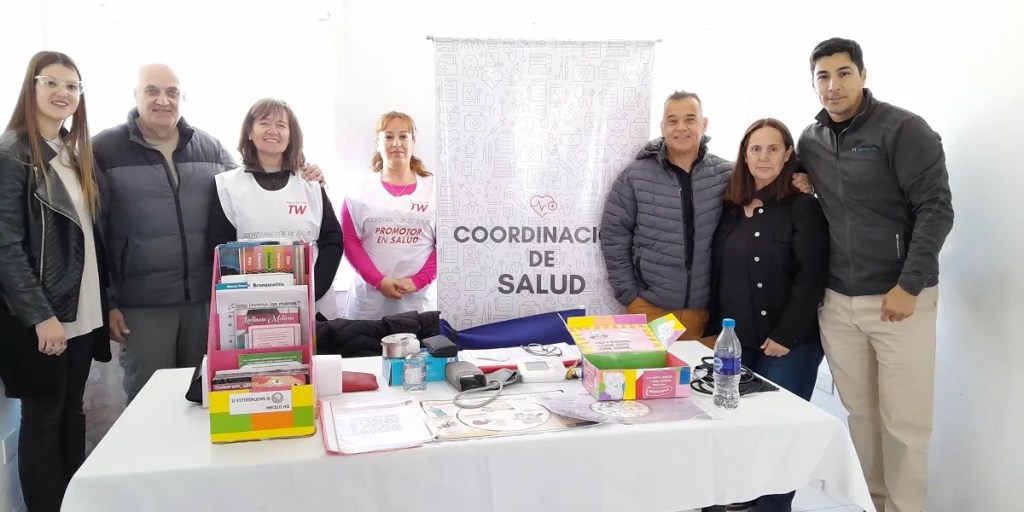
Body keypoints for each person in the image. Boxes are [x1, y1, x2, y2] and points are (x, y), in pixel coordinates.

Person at [92, 64, 324, 401]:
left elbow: (254, 186)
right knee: (150, 400)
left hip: (206, 302)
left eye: (172, 92)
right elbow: (93, 233)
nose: (163, 100)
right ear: (136, 95)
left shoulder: (209, 148)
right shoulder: (103, 150)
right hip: (142, 304)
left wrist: (304, 172)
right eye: (152, 91)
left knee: (203, 398)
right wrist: (108, 302)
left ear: (182, 97)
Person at [797, 38, 954, 512]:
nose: (833, 85)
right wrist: (797, 179)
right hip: (838, 302)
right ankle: (873, 504)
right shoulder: (811, 139)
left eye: (843, 73)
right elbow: (803, 180)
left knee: (905, 424)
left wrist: (909, 285)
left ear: (862, 75)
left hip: (898, 300)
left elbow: (936, 209)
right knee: (861, 418)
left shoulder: (903, 129)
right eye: (823, 76)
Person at [0, 51, 111, 512]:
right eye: (52, 82)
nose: (63, 93)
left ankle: (73, 501)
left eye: (72, 85)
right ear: (32, 87)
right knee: (43, 416)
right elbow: (5, 246)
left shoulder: (71, 152)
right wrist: (40, 316)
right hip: (39, 316)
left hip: (80, 310)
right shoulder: (13, 154)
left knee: (70, 409)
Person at [704, 118, 829, 512]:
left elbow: (812, 276)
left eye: (773, 149)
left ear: (788, 154)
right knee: (736, 430)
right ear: (744, 154)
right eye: (755, 148)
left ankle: (773, 506)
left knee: (780, 434)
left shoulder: (803, 207)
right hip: (736, 344)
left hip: (788, 345)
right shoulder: (729, 208)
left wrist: (786, 334)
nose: (763, 157)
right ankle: (734, 501)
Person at [600, 90, 733, 340]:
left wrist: (800, 177)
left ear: (704, 124)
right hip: (650, 308)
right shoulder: (635, 176)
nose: (681, 127)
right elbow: (613, 234)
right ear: (662, 127)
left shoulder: (727, 175)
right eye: (672, 120)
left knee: (696, 368)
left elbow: (768, 182)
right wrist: (630, 295)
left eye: (690, 119)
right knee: (652, 368)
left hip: (707, 314)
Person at [208, 98, 343, 318]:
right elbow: (220, 250)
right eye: (264, 123)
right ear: (249, 132)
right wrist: (251, 297)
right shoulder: (227, 186)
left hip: (313, 304)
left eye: (281, 125)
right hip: (249, 308)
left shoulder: (310, 182)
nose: (273, 131)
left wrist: (311, 291)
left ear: (291, 135)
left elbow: (333, 240)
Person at [341, 111, 436, 320]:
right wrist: (378, 281)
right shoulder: (358, 190)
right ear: (378, 143)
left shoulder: (435, 190)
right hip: (369, 305)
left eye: (403, 136)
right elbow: (350, 242)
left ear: (413, 142)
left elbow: (446, 245)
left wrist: (419, 280)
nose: (396, 143)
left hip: (419, 303)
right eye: (388, 137)